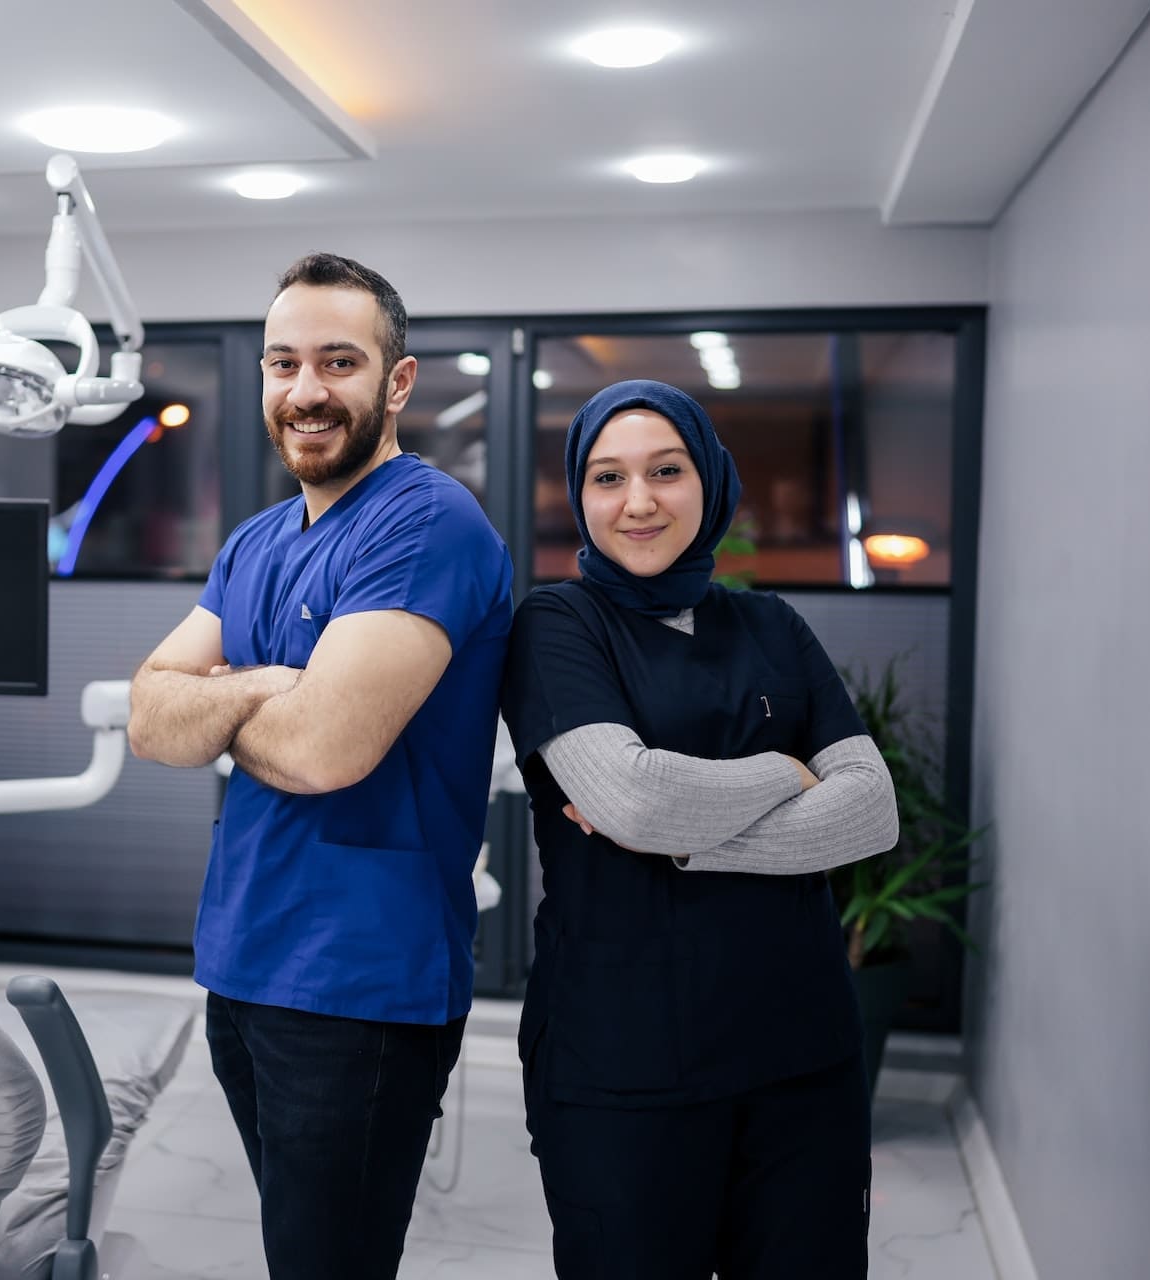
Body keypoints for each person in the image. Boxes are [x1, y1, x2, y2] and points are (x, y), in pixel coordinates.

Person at [127, 253, 513, 1279]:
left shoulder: (426, 521)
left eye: (338, 361)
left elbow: (323, 748)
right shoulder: (254, 542)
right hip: (244, 961)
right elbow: (149, 717)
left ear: (396, 382)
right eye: (282, 362)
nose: (305, 390)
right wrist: (271, 686)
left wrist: (224, 702)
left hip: (359, 984)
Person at [499, 379, 900, 1279]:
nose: (637, 501)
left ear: (710, 480)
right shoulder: (558, 626)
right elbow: (636, 799)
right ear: (580, 495)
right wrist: (783, 774)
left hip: (801, 1058)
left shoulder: (772, 625)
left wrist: (673, 828)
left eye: (665, 471)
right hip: (622, 1062)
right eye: (607, 478)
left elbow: (871, 810)